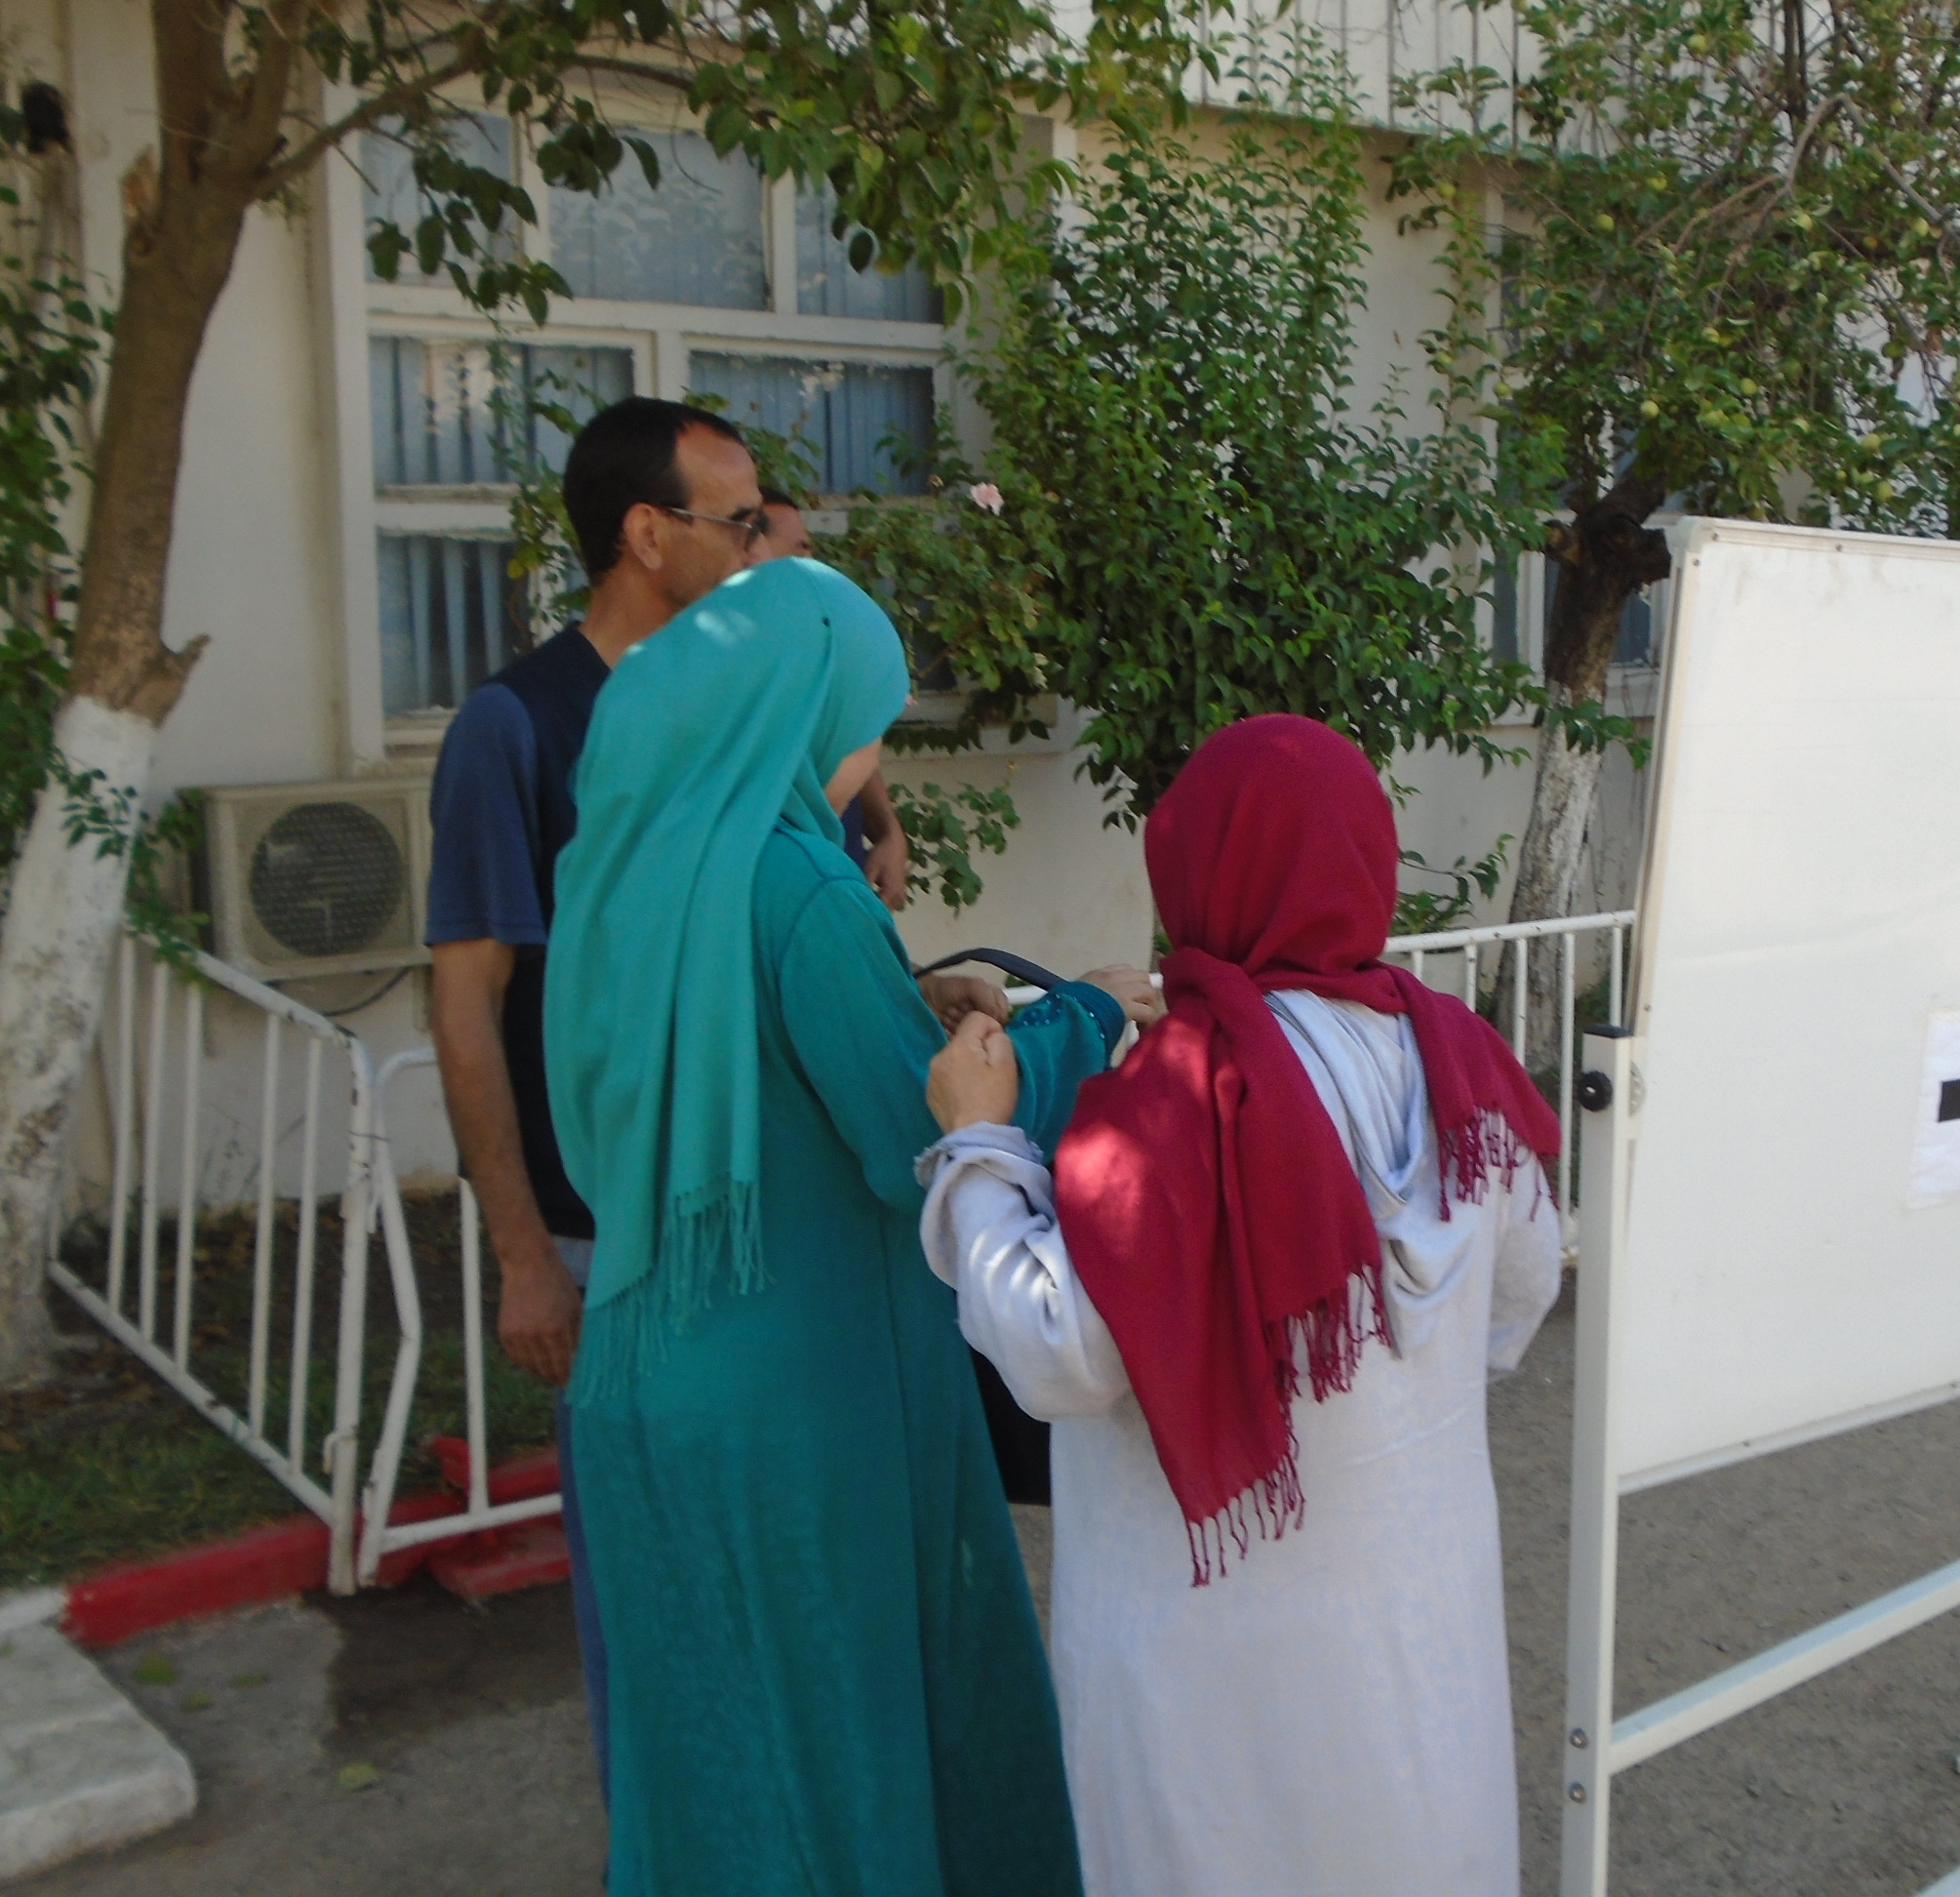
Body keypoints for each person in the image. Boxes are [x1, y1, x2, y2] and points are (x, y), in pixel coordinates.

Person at [544, 555, 1154, 1895]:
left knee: (714, 1752)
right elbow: (915, 1140)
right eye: (871, 720)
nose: (875, 754)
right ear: (803, 718)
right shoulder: (803, 891)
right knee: (852, 1741)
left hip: (645, 1374)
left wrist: (907, 1003)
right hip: (807, 1404)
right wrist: (1086, 1017)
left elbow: (720, 1069)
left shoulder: (623, 867)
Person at [918, 714, 1565, 1897]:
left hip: (1213, 1659)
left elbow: (1060, 1351)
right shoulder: (1460, 1060)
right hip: (1416, 1627)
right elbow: (1520, 1297)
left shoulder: (1185, 1094)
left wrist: (980, 1147)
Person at [425, 394, 767, 1796]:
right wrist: (523, 1255)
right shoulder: (516, 727)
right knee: (644, 1598)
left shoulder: (733, 713)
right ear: (648, 534)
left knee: (752, 1580)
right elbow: (466, 1002)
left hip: (747, 1226)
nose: (757, 552)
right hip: (602, 1243)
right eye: (739, 523)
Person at [752, 489, 912, 907]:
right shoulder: (736, 669)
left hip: (838, 873)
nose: (811, 563)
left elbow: (855, 737)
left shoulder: (820, 640)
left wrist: (889, 830)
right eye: (799, 550)